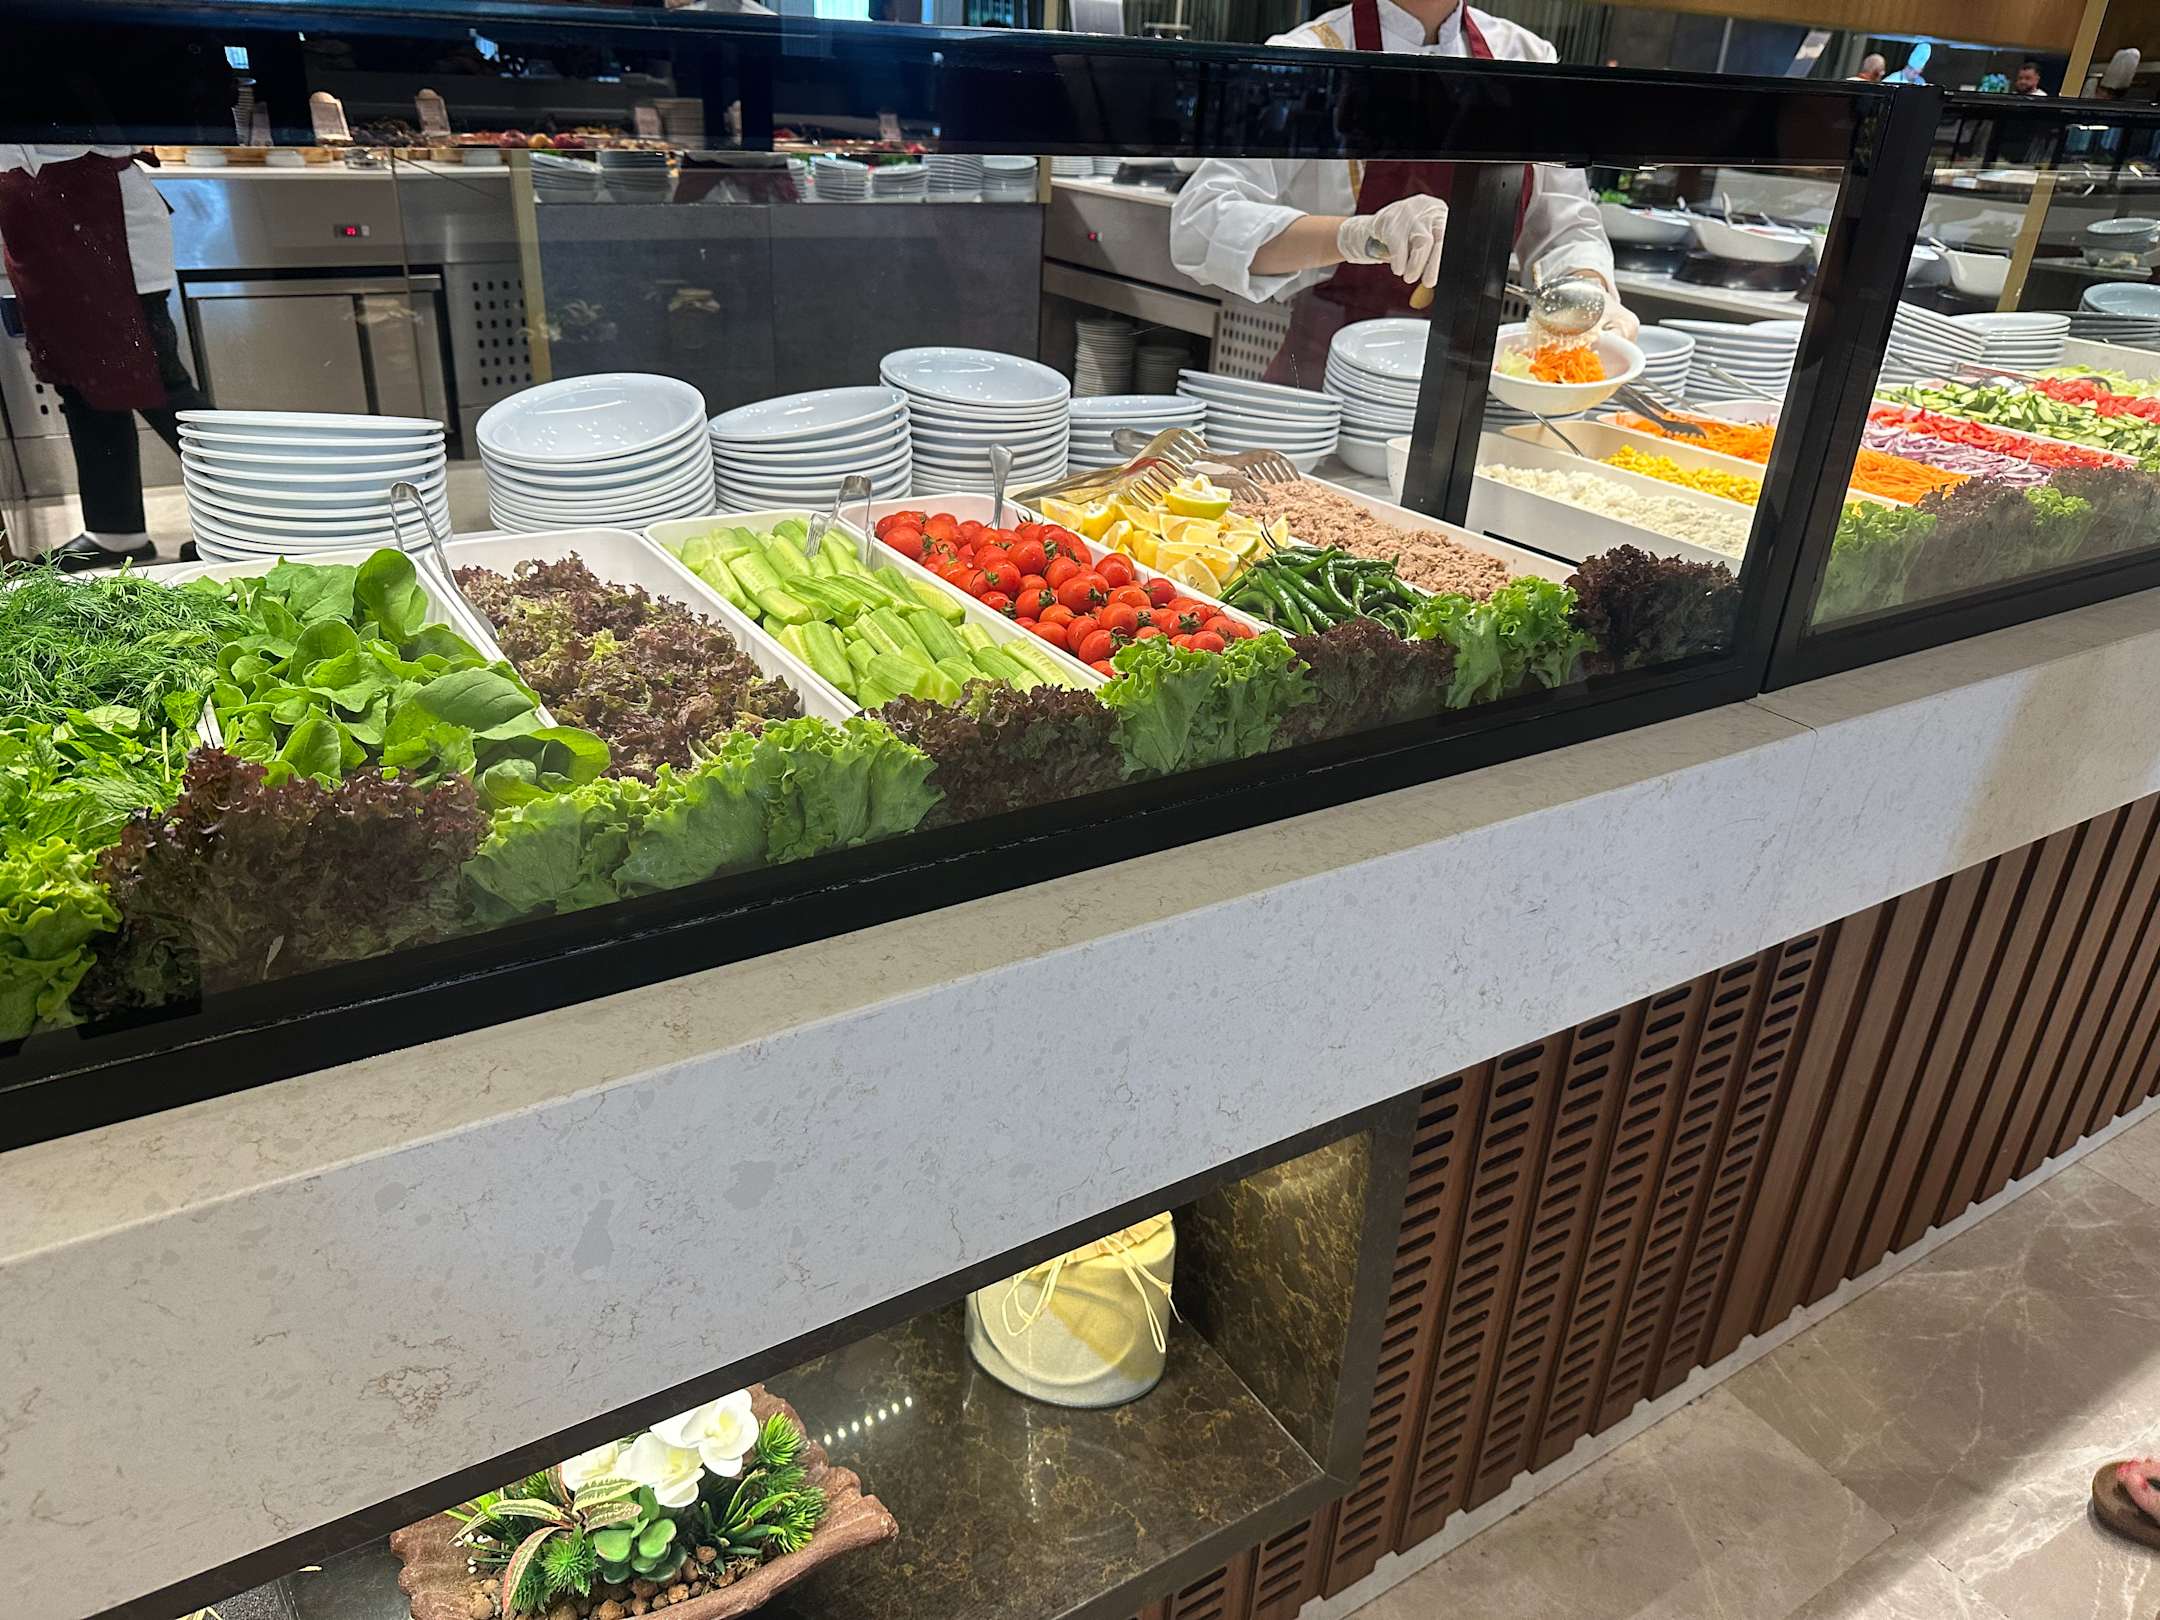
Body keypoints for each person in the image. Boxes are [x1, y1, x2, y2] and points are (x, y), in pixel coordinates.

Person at [1167, 0, 1635, 388]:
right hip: (1329, 386)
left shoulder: (1526, 58)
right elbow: (1201, 223)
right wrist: (1357, 236)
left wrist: (1589, 293)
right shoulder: (1311, 55)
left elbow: (1565, 226)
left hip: (1471, 393)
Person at [0, 144, 209, 570]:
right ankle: (115, 531)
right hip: (35, 220)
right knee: (79, 387)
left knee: (160, 386)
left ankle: (262, 511)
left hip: (102, 215)